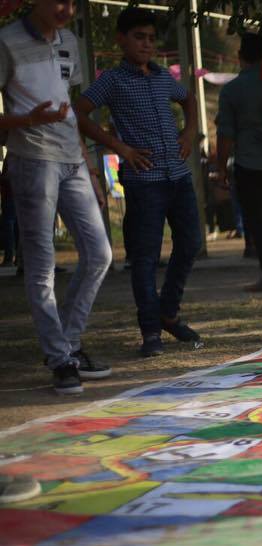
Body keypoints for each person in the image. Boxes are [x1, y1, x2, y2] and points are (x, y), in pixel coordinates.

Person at [76, 7, 203, 358]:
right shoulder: (112, 80)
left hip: (178, 175)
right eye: (139, 37)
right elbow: (79, 112)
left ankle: (168, 312)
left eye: (151, 38)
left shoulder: (162, 77)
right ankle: (150, 331)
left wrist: (189, 133)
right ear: (121, 39)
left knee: (191, 243)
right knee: (145, 257)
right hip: (143, 181)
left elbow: (189, 99)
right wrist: (119, 147)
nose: (146, 44)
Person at [0, 0, 112, 395]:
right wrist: (29, 120)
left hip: (73, 160)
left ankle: (69, 343)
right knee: (41, 264)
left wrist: (90, 168)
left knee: (100, 253)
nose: (67, 9)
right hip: (32, 159)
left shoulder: (70, 41)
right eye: (59, 1)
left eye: (73, 2)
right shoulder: (7, 41)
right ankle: (60, 359)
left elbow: (68, 107)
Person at [216, 33, 262, 292]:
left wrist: (221, 169)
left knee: (259, 223)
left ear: (241, 57)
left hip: (249, 164)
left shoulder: (232, 90)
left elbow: (225, 133)